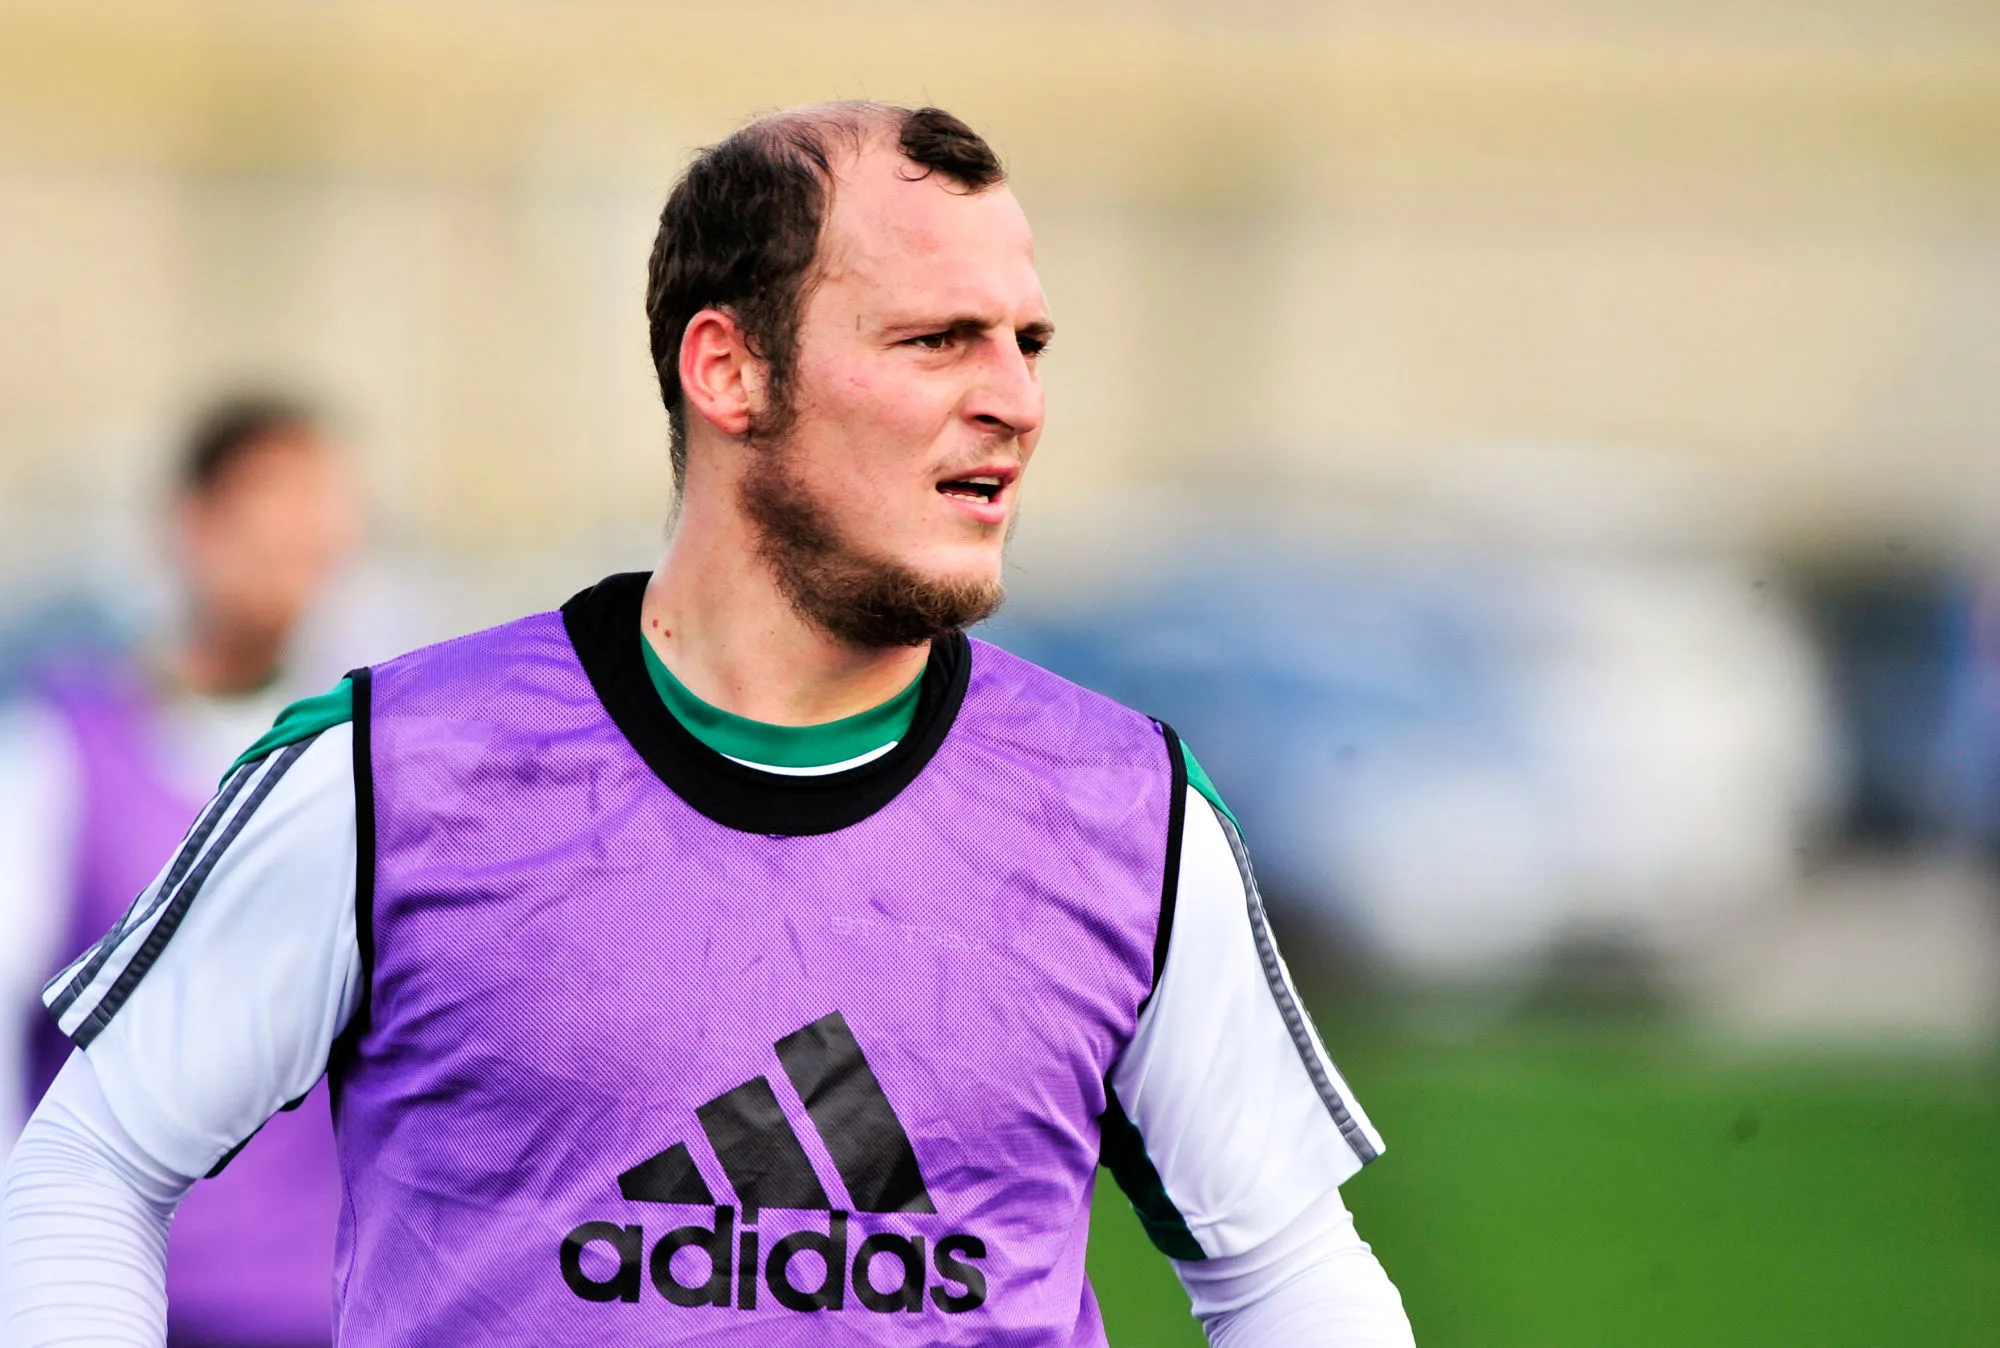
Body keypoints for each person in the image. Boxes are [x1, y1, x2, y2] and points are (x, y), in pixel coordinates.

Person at [0, 104, 1415, 1345]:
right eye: (938, 340)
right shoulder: (395, 773)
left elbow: (1286, 1272)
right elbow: (87, 1168)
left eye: (1027, 342)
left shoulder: (1127, 813)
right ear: (729, 370)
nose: (1015, 401)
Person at [0, 397, 359, 1346]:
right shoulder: (66, 751)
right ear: (192, 526)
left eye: (313, 527)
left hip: (320, 1310)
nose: (292, 554)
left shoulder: (360, 759)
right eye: (265, 519)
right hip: (121, 1306)